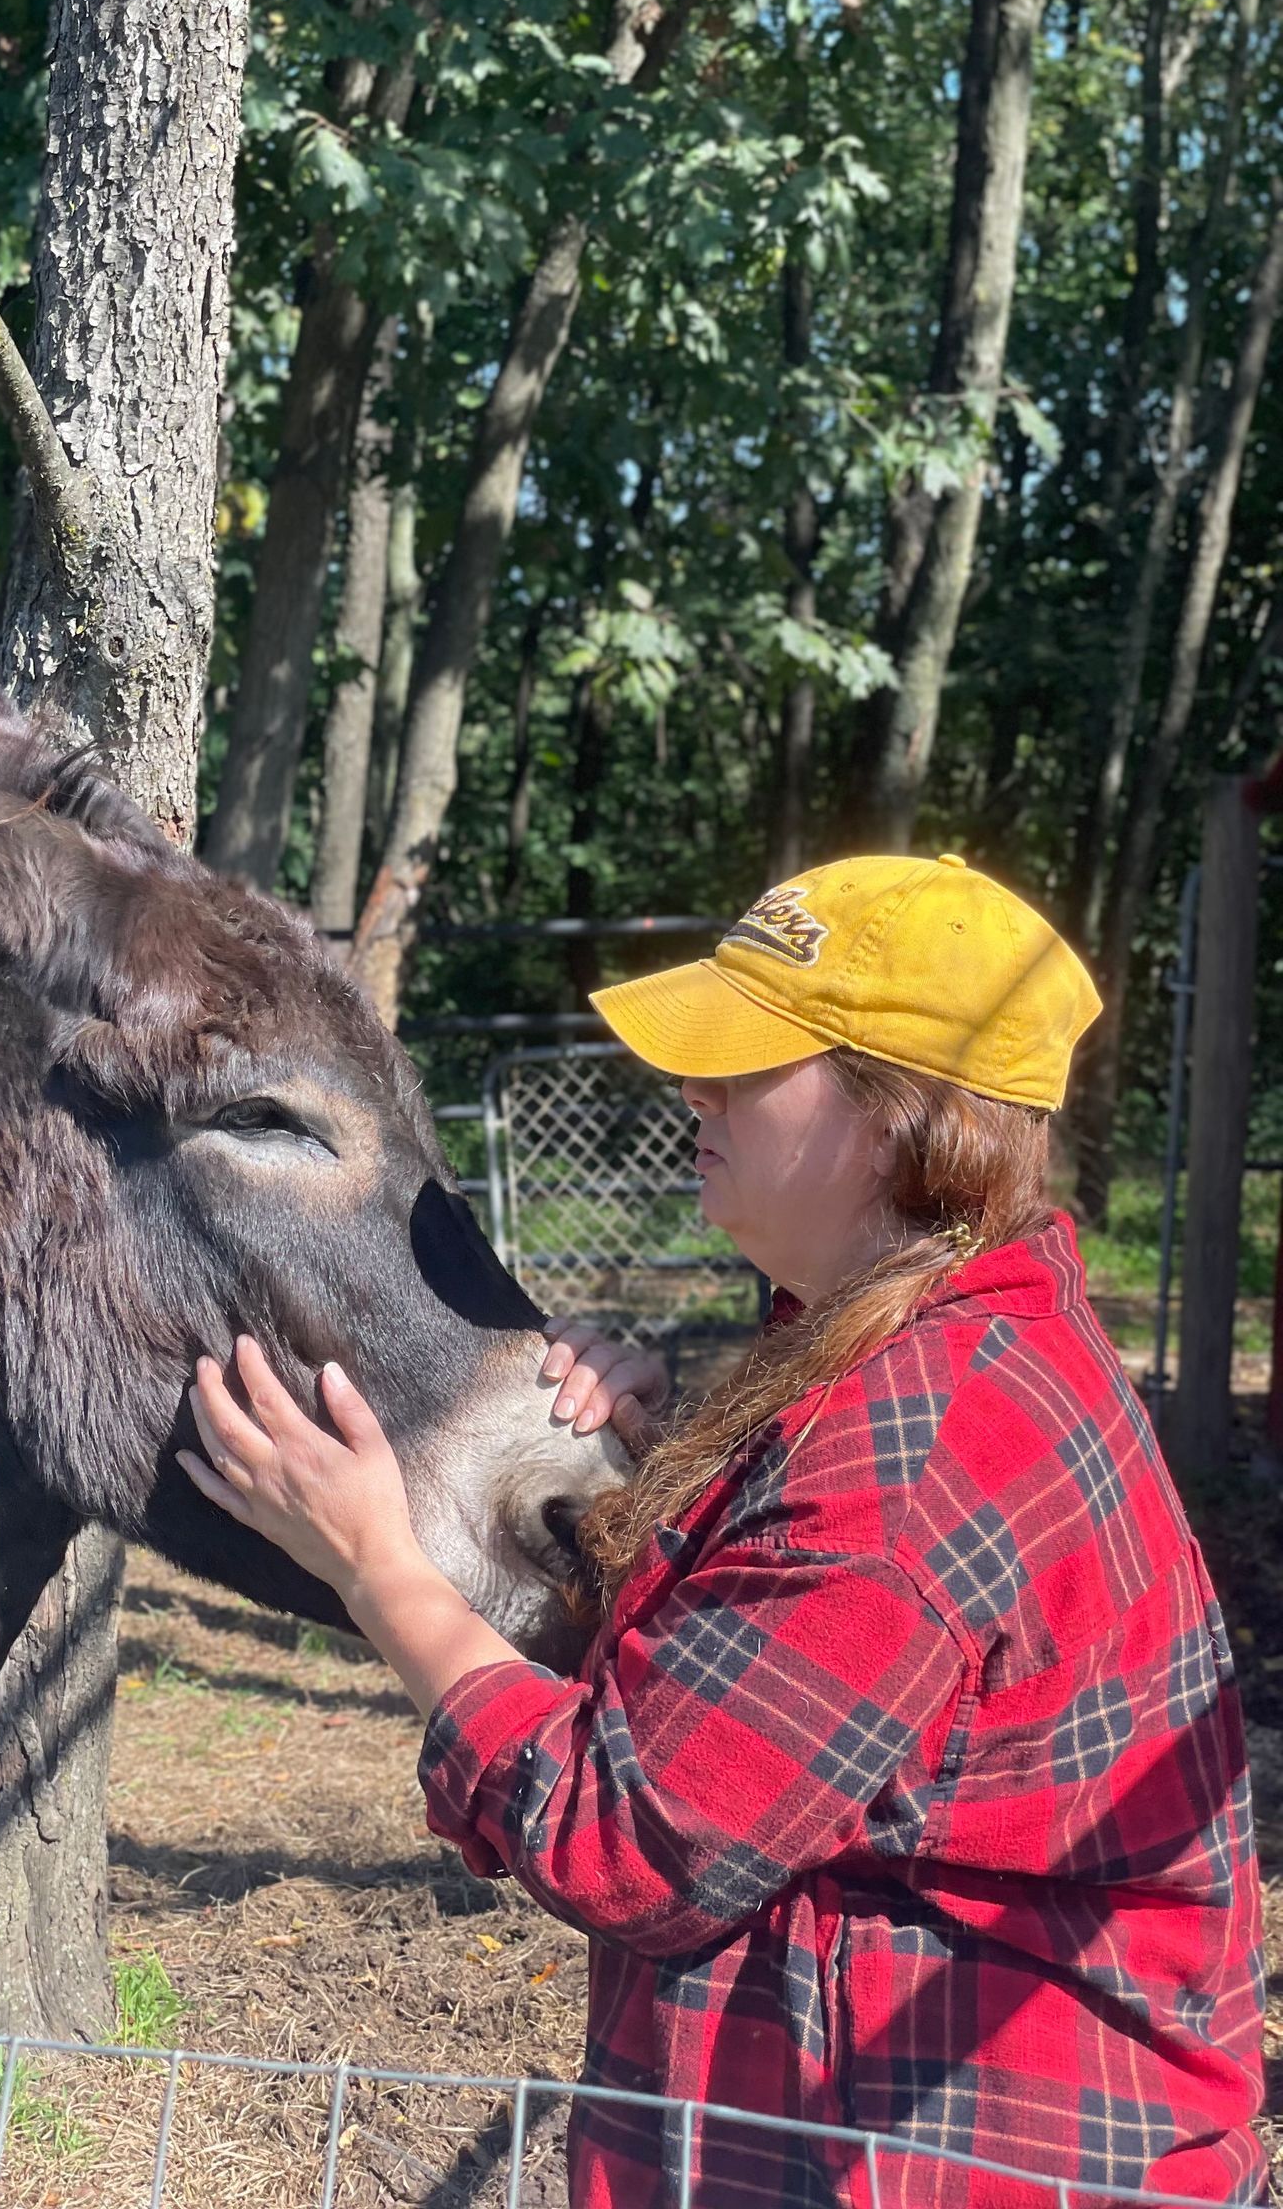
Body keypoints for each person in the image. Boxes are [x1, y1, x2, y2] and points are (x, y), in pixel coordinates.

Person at [179, 854, 1266, 2206]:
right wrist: (674, 1474)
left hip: (947, 2158)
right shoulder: (921, 1339)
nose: (695, 1094)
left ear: (902, 1120)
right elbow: (799, 1683)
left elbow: (629, 1838)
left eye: (749, 1064)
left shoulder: (907, 1453)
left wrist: (375, 1564)